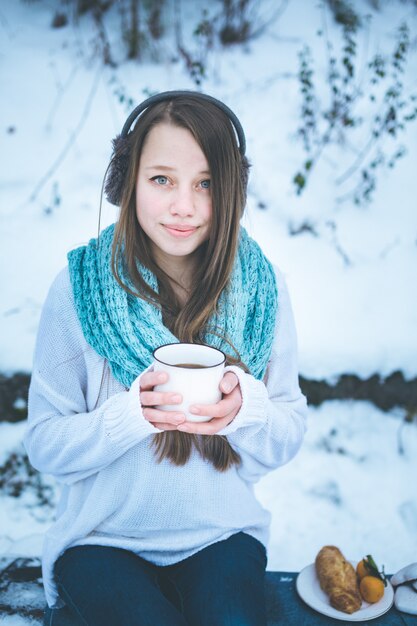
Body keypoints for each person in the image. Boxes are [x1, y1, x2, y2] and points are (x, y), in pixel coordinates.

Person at [25, 90, 308, 626]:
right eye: (162, 179)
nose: (184, 205)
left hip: (221, 536)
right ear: (126, 183)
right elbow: (44, 444)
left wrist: (246, 412)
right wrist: (130, 417)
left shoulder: (262, 291)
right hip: (100, 543)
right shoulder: (77, 290)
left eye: (206, 183)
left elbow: (289, 427)